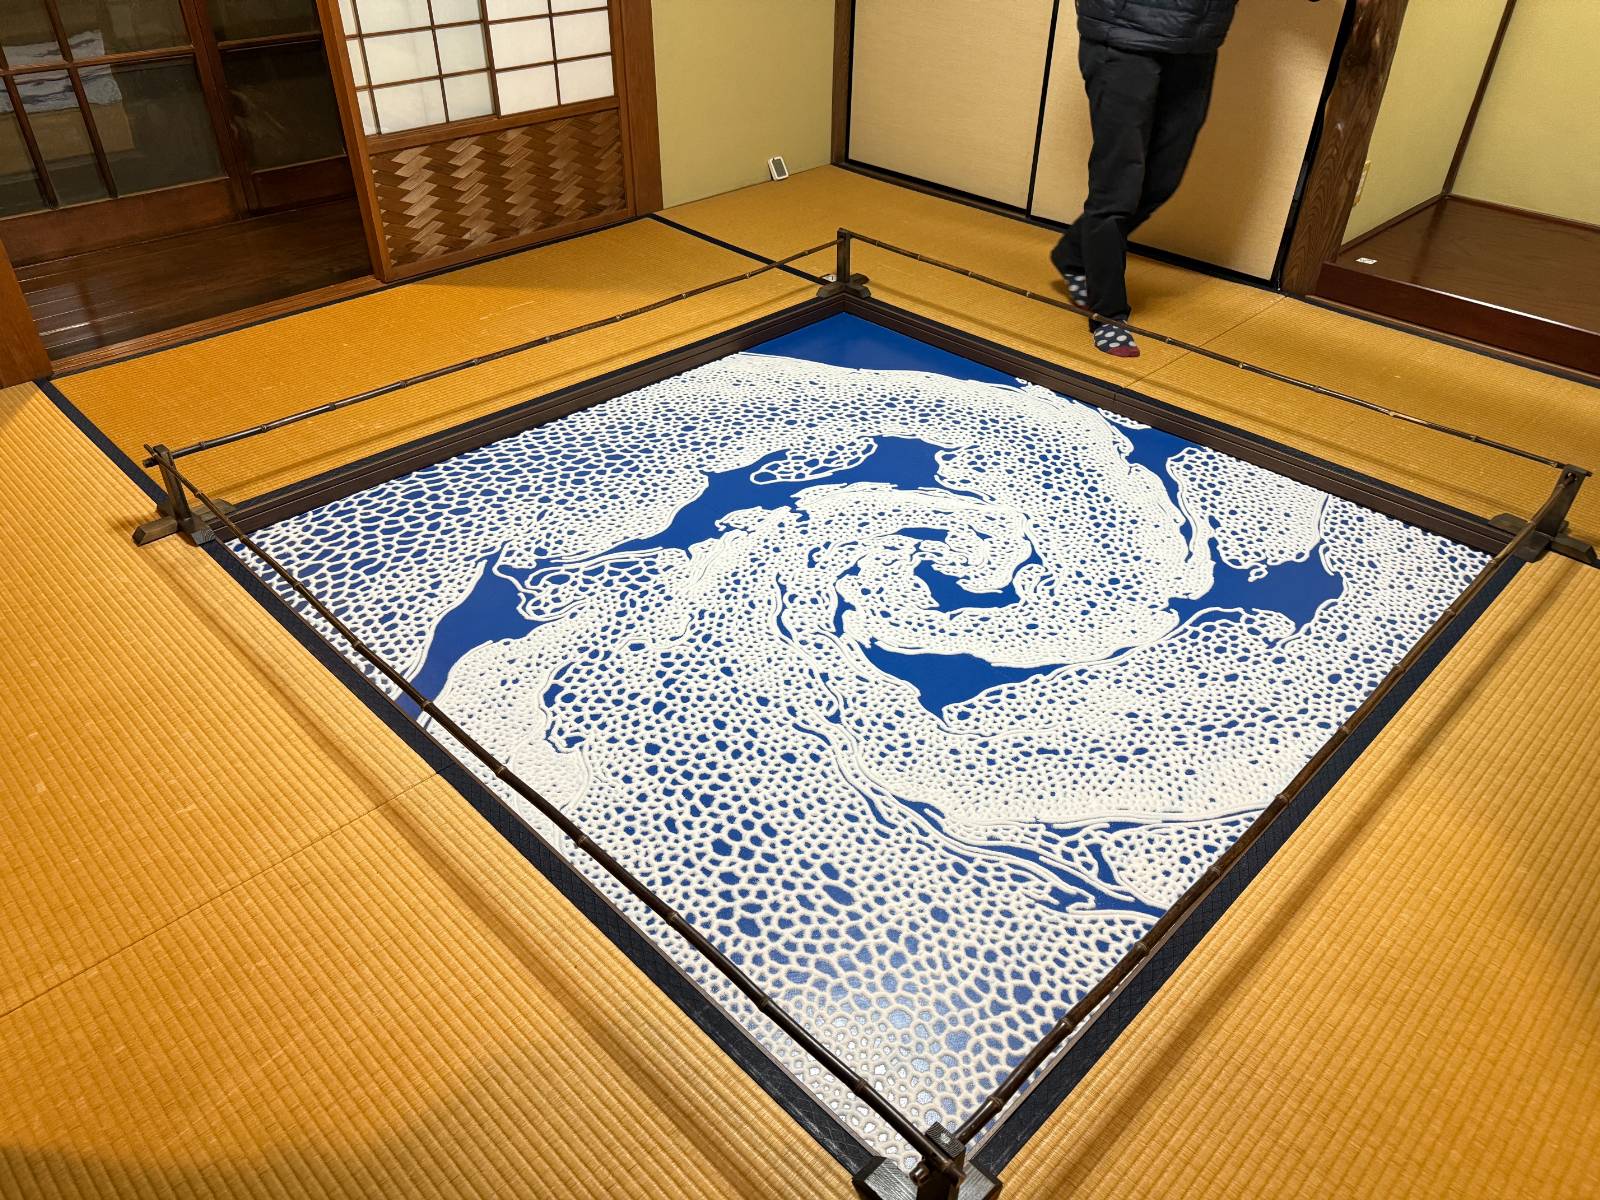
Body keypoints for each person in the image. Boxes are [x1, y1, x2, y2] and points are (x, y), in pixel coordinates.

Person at [1053, 0, 1315, 357]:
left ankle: (1071, 253)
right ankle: (1109, 314)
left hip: (1195, 41)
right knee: (1117, 185)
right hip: (1124, 36)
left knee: (1163, 179)